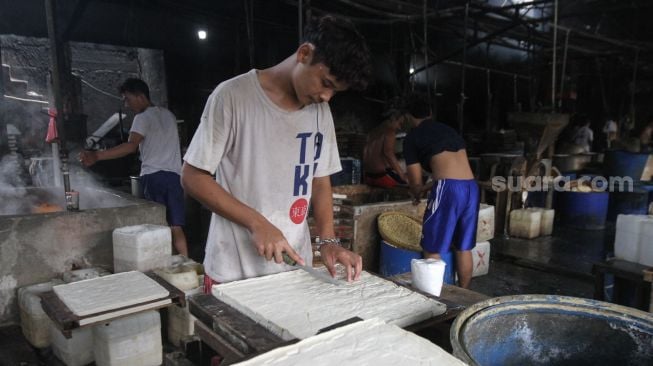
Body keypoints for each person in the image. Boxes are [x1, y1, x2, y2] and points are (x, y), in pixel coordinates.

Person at [180, 15, 371, 291]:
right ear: (304, 53)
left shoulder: (320, 111)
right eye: (326, 83)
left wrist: (328, 241)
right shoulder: (233, 97)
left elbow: (319, 179)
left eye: (335, 91)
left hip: (294, 268)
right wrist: (257, 223)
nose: (327, 97)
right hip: (234, 273)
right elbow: (193, 176)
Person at [79, 78, 188, 256]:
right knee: (176, 227)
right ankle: (186, 264)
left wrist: (97, 155)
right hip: (175, 178)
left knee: (158, 227)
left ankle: (160, 265)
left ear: (140, 96)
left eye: (127, 99)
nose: (126, 104)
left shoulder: (142, 118)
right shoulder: (168, 115)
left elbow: (130, 146)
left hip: (154, 177)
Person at [402, 95, 478, 289]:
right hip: (471, 187)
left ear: (409, 117)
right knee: (463, 247)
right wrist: (430, 188)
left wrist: (417, 193)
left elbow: (415, 181)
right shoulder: (448, 131)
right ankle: (465, 295)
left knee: (432, 248)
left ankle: (432, 300)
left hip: (448, 188)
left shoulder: (412, 137)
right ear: (430, 114)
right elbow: (449, 174)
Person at [362, 109, 408, 188]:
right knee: (412, 184)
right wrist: (402, 175)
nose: (399, 127)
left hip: (368, 177)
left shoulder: (372, 132)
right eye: (399, 123)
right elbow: (388, 153)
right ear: (393, 119)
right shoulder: (390, 131)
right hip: (382, 177)